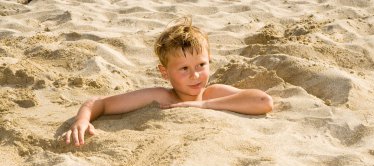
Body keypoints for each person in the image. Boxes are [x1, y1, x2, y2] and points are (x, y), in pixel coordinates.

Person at [64, 17, 273, 146]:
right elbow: (100, 102)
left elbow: (264, 102)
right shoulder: (161, 97)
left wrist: (203, 104)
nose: (195, 75)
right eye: (184, 68)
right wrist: (82, 120)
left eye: (201, 65)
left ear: (210, 60)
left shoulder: (212, 93)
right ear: (165, 72)